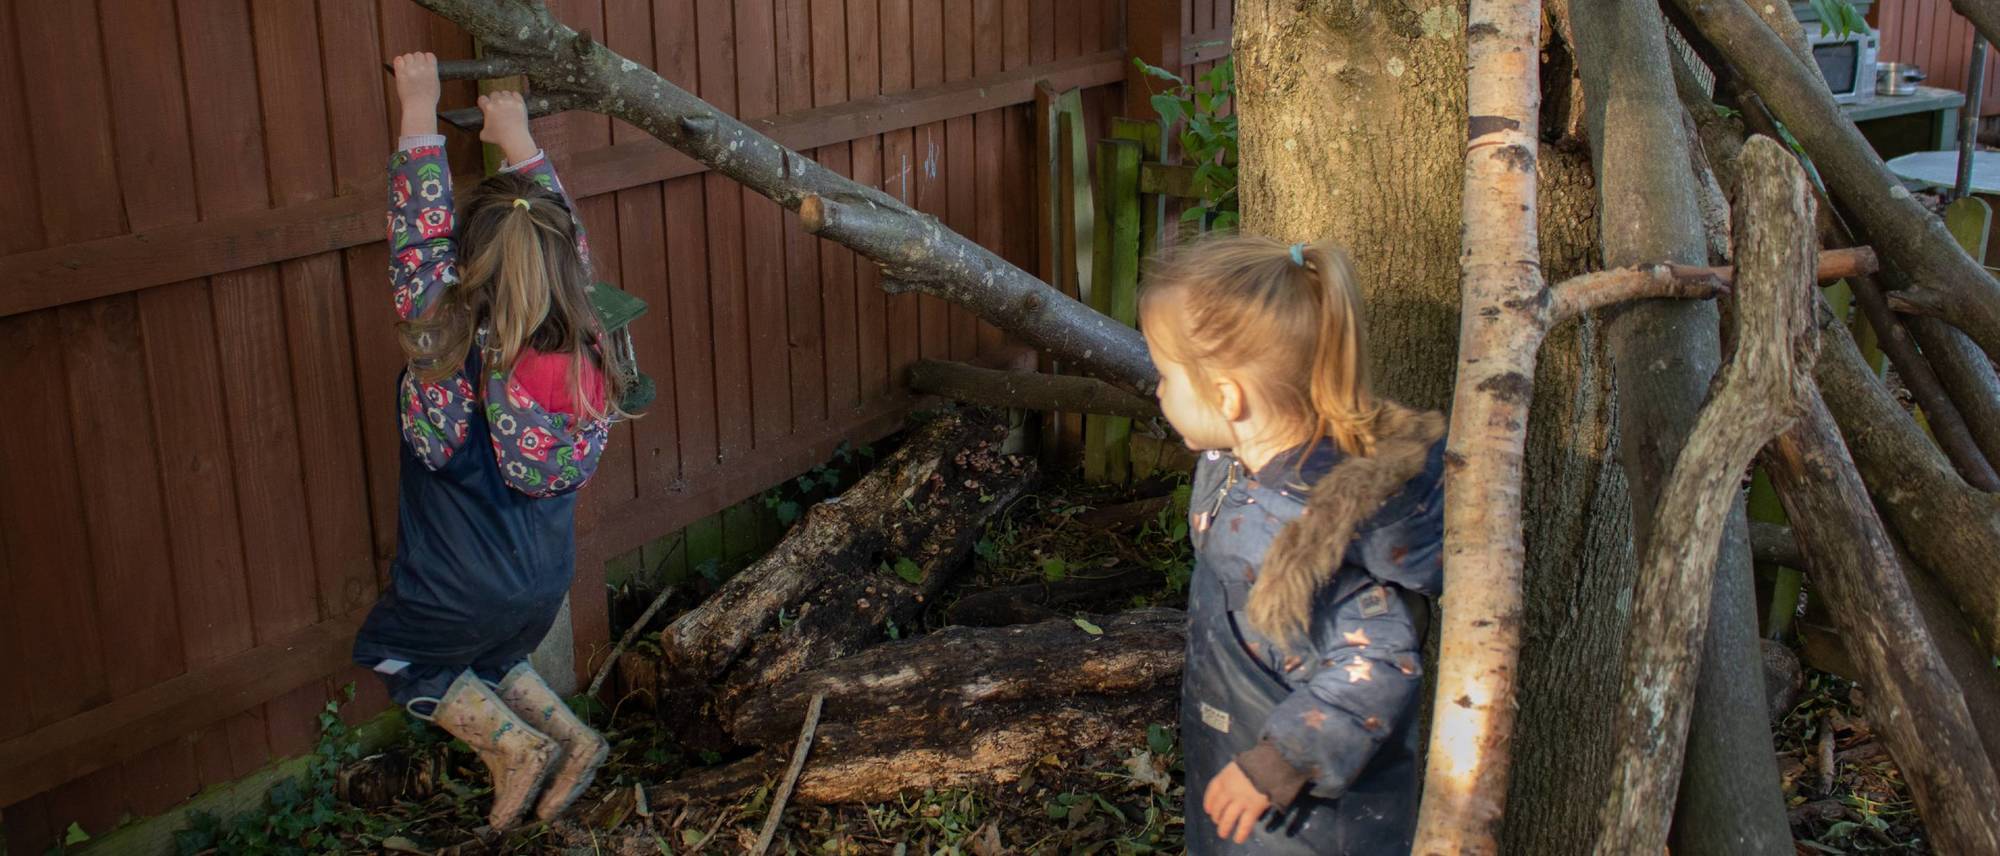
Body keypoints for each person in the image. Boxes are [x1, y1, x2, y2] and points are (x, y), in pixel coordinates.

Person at [352, 51, 634, 829]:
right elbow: (562, 243)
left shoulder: (449, 362)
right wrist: (519, 140)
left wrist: (418, 109)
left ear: (468, 267)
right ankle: (572, 738)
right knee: (495, 656)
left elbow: (416, 248)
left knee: (401, 657)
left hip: (454, 589)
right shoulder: (582, 349)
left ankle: (515, 750)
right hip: (544, 583)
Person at [1140, 235, 1445, 853]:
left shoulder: (1311, 529)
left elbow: (1380, 659)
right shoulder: (1245, 465)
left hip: (1307, 824)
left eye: (1165, 376)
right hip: (1243, 774)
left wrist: (1281, 761)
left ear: (1228, 397)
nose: (1156, 392)